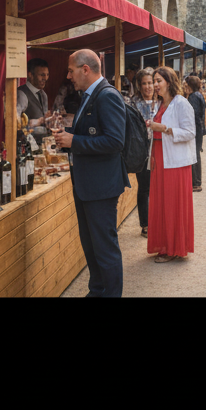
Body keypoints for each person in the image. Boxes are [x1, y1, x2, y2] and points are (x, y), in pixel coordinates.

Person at [52, 50, 129, 298]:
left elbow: (115, 141)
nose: (68, 75)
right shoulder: (89, 94)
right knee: (91, 245)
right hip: (88, 184)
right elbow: (92, 132)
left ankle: (110, 293)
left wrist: (74, 141)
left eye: (71, 70)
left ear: (85, 69)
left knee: (104, 248)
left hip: (101, 186)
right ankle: (97, 291)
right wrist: (68, 134)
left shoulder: (107, 95)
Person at [146, 66, 196, 262]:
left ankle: (173, 247)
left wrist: (165, 129)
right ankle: (163, 244)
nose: (155, 85)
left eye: (158, 81)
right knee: (160, 203)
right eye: (154, 81)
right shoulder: (158, 104)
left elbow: (190, 132)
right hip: (159, 156)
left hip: (175, 161)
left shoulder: (181, 103)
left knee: (172, 204)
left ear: (169, 81)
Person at [130, 69, 157, 237]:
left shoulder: (161, 100)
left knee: (159, 186)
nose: (148, 87)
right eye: (144, 84)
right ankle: (145, 224)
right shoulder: (133, 103)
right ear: (139, 86)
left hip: (160, 146)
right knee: (145, 187)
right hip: (142, 148)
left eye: (150, 83)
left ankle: (159, 220)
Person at [17, 57, 51, 135]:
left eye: (47, 75)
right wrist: (38, 122)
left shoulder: (43, 94)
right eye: (42, 75)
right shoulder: (22, 94)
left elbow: (45, 122)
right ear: (30, 75)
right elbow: (15, 123)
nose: (45, 78)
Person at [185, 74, 206, 192]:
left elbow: (194, 115)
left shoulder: (193, 97)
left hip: (195, 129)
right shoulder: (198, 95)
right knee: (196, 153)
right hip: (198, 128)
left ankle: (196, 182)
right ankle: (196, 181)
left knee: (195, 154)